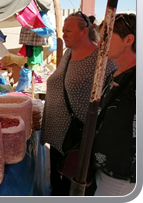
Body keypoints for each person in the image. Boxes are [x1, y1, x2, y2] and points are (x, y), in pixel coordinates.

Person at [40, 11, 117, 196]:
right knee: (57, 184)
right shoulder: (68, 53)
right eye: (63, 30)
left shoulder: (102, 60)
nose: (63, 35)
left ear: (84, 32)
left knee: (74, 187)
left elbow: (111, 98)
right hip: (58, 135)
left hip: (77, 137)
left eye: (68, 31)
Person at [91, 13, 136, 196]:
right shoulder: (113, 75)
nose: (100, 44)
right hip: (103, 168)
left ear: (129, 39)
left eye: (106, 37)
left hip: (123, 175)